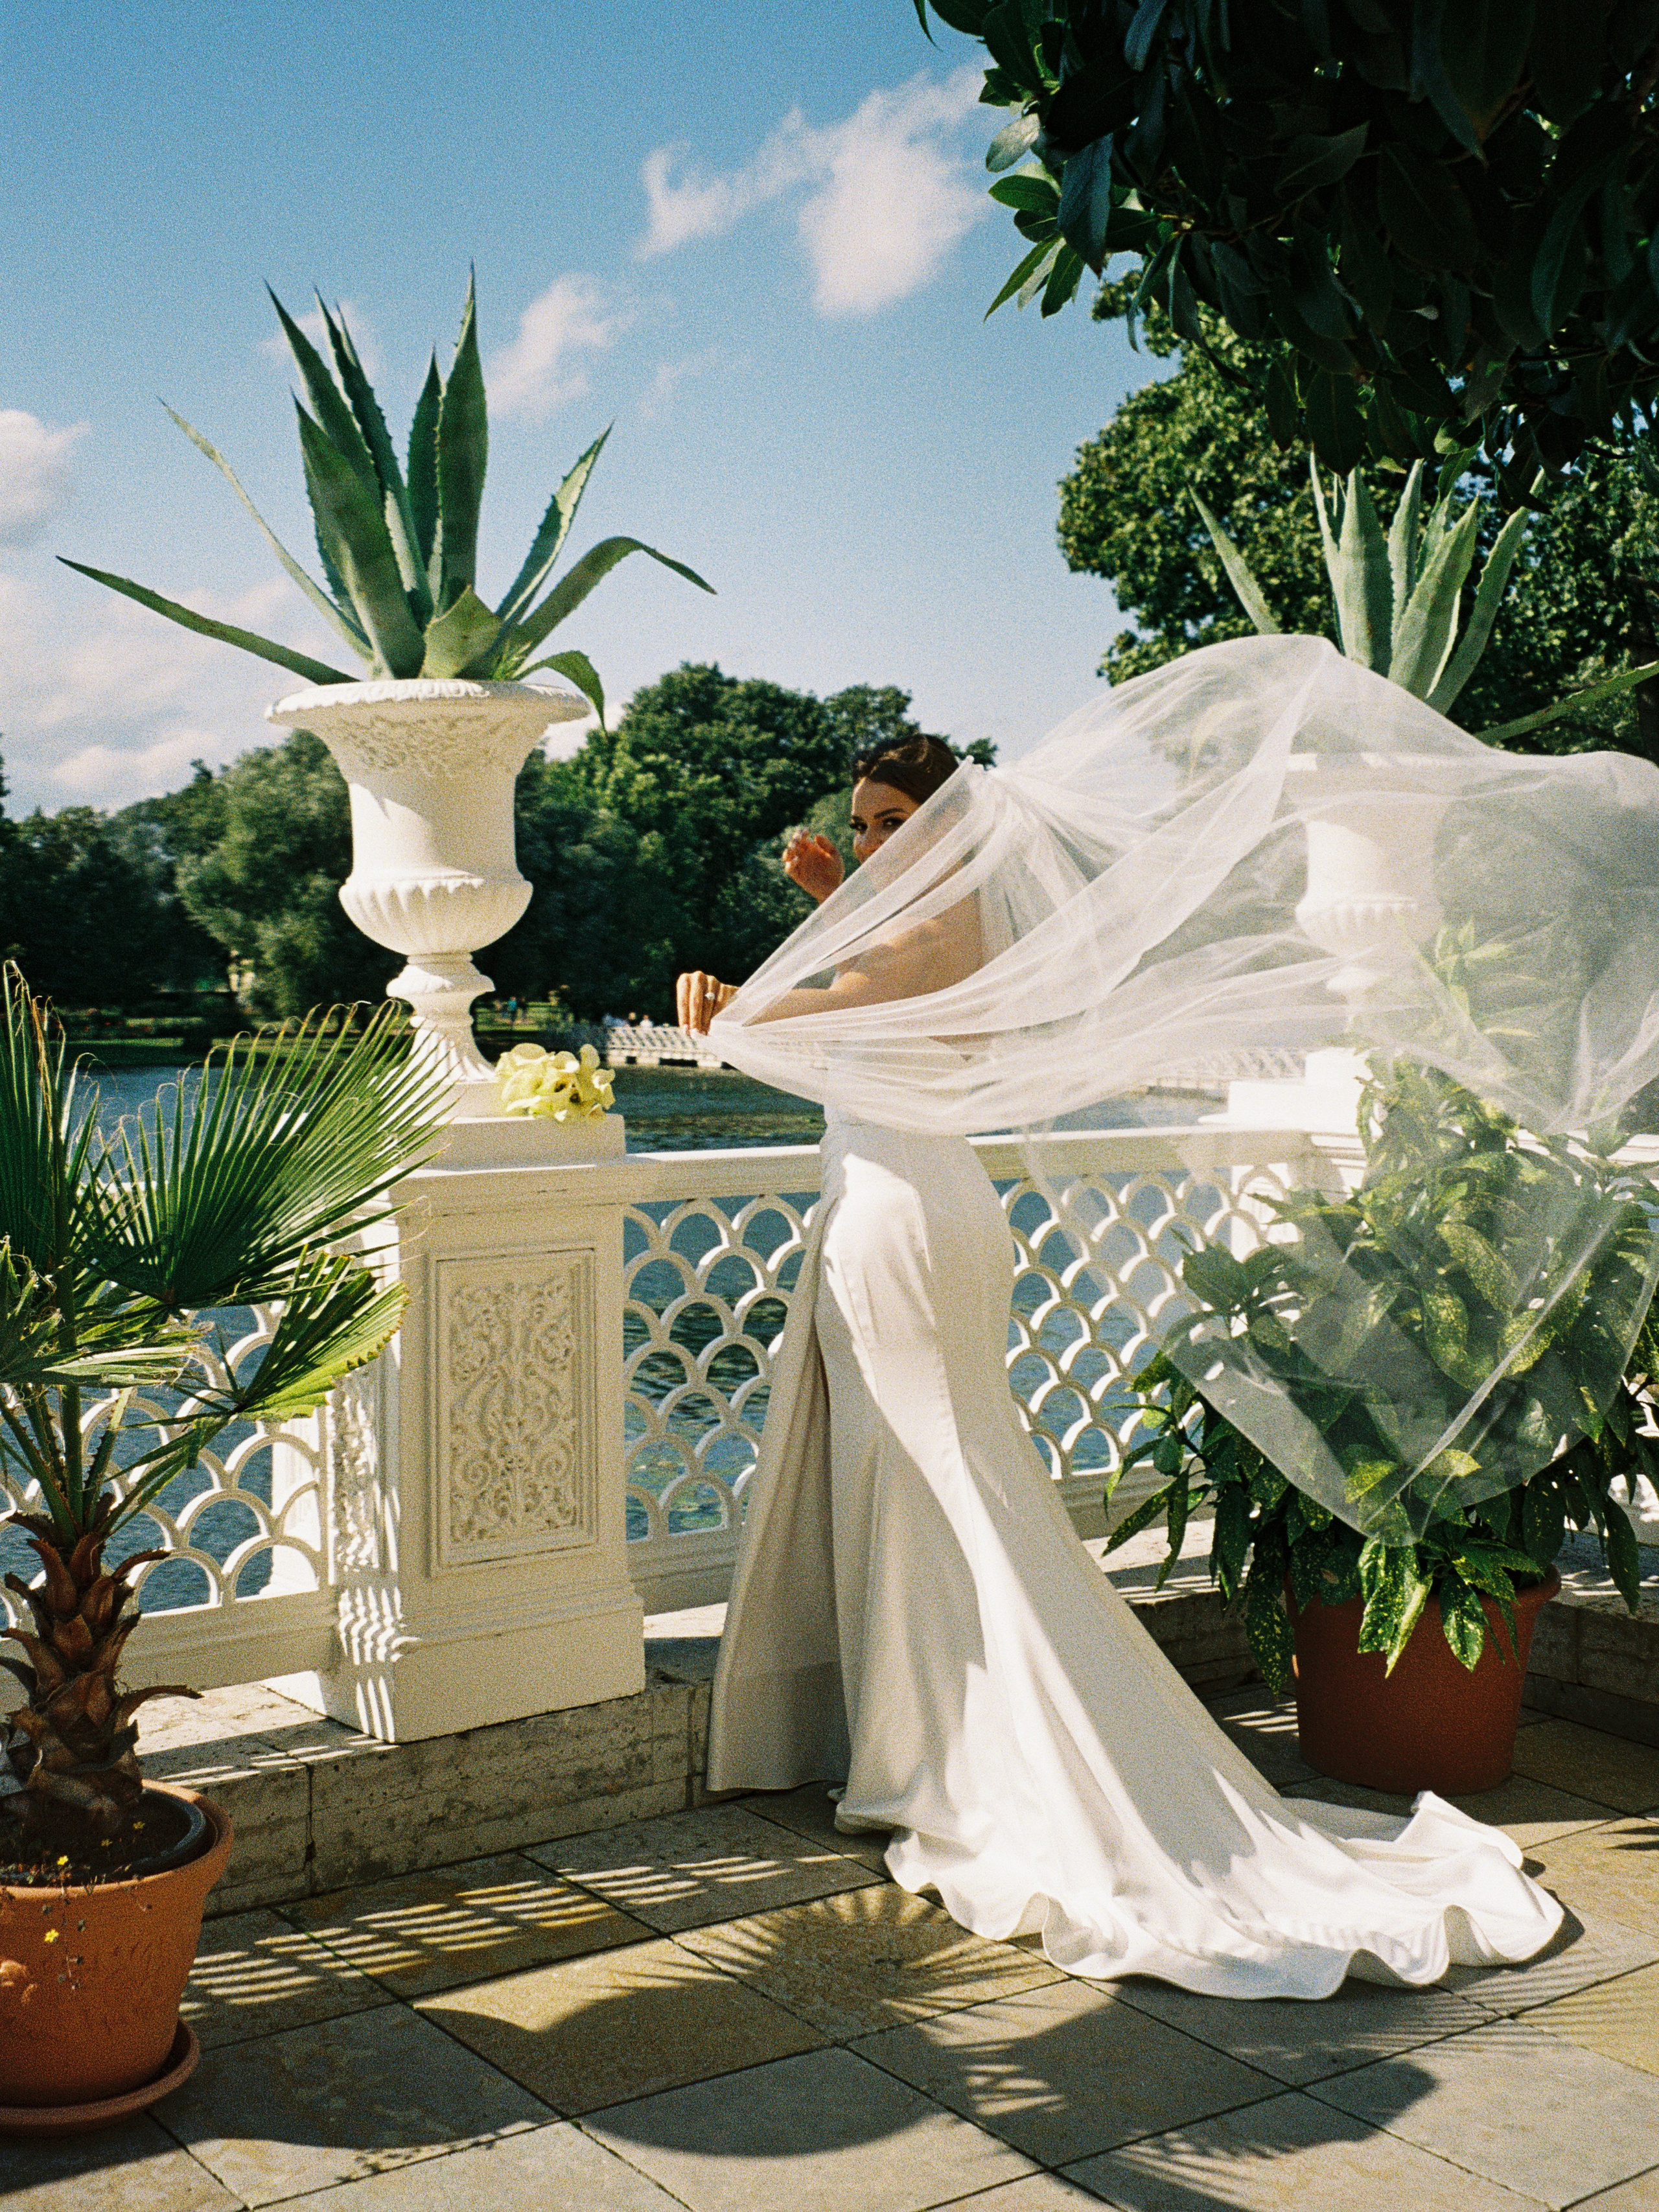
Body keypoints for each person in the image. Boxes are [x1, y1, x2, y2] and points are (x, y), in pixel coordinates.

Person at [675, 648, 1574, 1998]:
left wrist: (733, 1004)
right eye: (859, 824)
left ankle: (997, 1768)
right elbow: (863, 981)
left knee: (957, 1495)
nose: (869, 845)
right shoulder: (918, 921)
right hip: (899, 1219)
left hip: (908, 1222)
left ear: (956, 831)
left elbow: (816, 1014)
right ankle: (930, 1748)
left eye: (894, 826)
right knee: (922, 1493)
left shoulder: (935, 932)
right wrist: (827, 899)